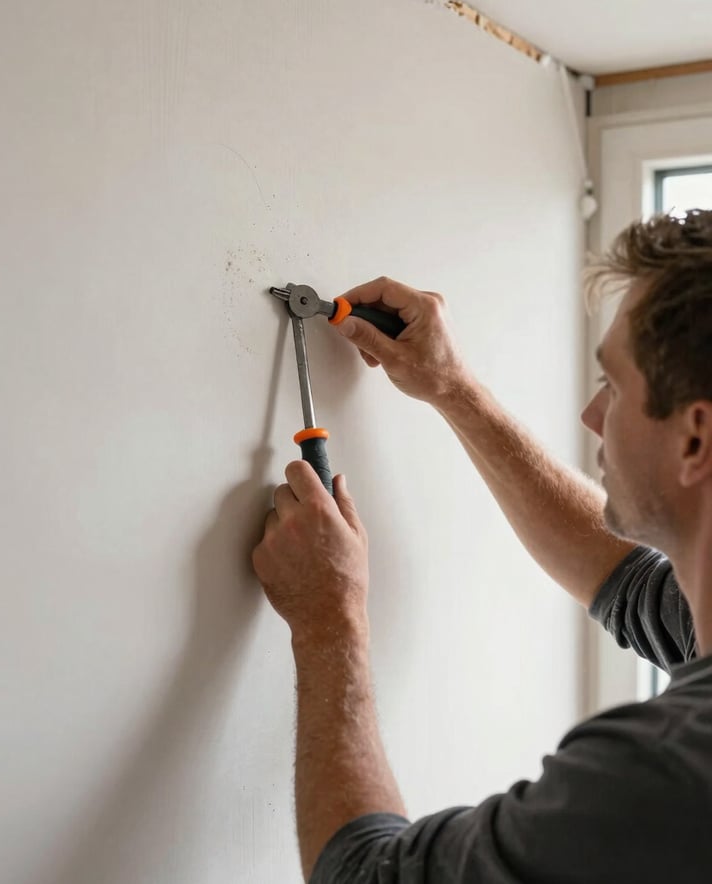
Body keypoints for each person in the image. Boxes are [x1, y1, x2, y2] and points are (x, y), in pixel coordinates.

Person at [251, 209, 712, 883]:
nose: (591, 414)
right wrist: (455, 390)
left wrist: (329, 621)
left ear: (695, 438)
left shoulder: (666, 777)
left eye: (612, 385)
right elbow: (629, 583)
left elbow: (363, 875)